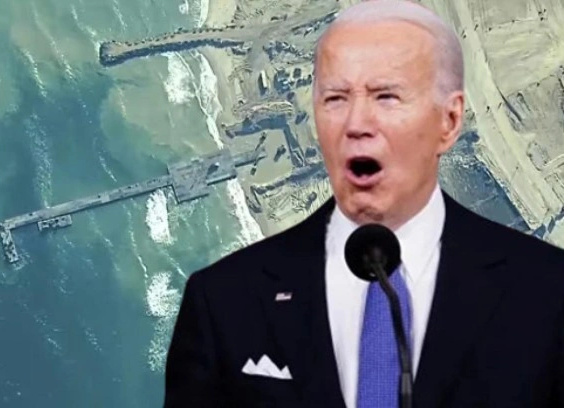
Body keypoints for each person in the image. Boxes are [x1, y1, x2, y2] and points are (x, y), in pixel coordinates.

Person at [164, 0, 564, 407]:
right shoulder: (223, 301)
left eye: (387, 98)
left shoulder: (546, 293)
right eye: (335, 99)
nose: (356, 125)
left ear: (449, 121)